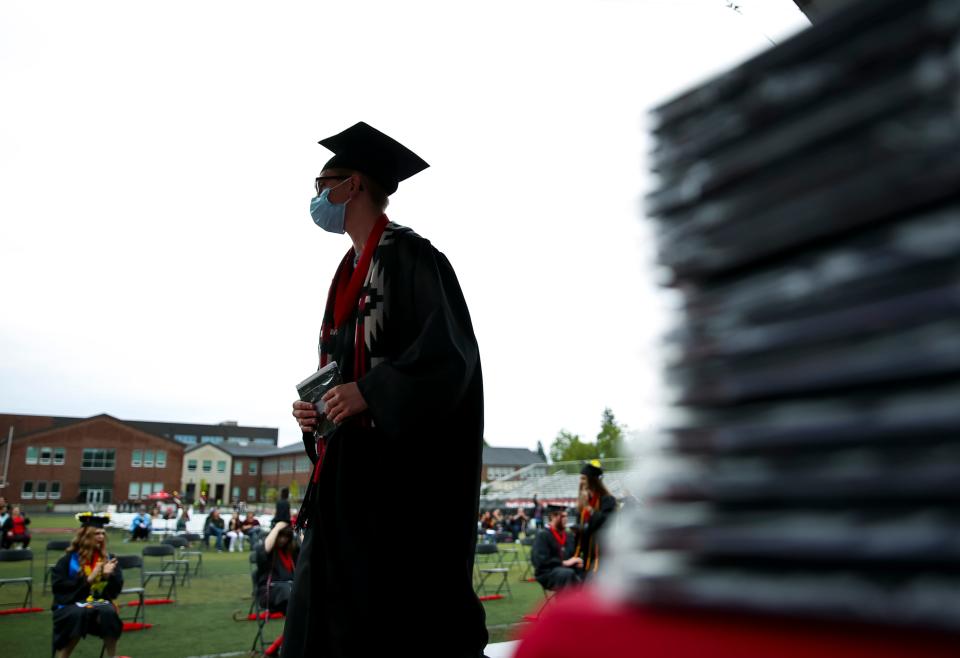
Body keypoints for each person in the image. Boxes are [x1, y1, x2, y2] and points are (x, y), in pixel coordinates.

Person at [286, 122, 487, 658]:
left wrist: (371, 392)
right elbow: (340, 367)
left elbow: (451, 357)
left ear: (351, 185)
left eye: (320, 184)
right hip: (342, 479)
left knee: (388, 621)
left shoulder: (412, 258)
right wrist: (319, 412)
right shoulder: (347, 269)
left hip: (397, 488)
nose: (315, 198)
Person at [51, 513, 123, 658]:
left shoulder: (107, 559)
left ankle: (112, 656)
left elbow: (114, 591)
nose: (101, 537)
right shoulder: (68, 560)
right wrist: (89, 579)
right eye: (96, 533)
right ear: (85, 536)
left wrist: (108, 577)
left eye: (103, 533)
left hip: (97, 602)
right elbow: (59, 587)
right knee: (78, 614)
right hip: (70, 603)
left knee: (108, 612)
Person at [573, 460, 618, 577]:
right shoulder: (582, 502)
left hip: (602, 552)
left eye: (583, 478)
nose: (581, 482)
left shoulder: (608, 500)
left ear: (592, 480)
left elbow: (606, 522)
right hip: (586, 550)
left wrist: (589, 508)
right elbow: (582, 525)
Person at [531, 506, 584, 591]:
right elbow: (539, 561)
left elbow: (573, 555)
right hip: (548, 572)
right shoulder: (543, 535)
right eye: (562, 516)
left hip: (567, 569)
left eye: (566, 516)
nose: (566, 519)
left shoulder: (568, 535)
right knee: (568, 574)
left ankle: (584, 600)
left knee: (587, 572)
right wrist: (563, 563)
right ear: (552, 517)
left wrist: (579, 561)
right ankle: (569, 603)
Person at [256, 521, 299, 614]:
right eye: (280, 536)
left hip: (289, 587)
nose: (283, 539)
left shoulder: (292, 553)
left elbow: (306, 551)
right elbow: (264, 550)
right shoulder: (269, 552)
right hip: (269, 591)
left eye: (286, 537)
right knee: (286, 589)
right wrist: (277, 528)